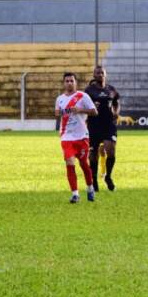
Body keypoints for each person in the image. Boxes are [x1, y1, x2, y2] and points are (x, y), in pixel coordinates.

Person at [55, 72, 98, 204]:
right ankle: (75, 194)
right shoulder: (60, 99)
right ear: (64, 83)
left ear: (75, 82)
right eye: (67, 81)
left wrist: (80, 110)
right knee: (69, 163)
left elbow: (94, 112)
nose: (69, 83)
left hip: (81, 136)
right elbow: (57, 113)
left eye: (71, 81)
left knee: (84, 164)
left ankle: (90, 187)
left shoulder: (83, 96)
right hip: (67, 137)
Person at [85, 65, 120, 191]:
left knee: (110, 150)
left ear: (105, 75)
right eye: (98, 73)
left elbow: (116, 102)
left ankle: (108, 177)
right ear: (94, 75)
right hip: (94, 125)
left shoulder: (111, 89)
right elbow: (83, 105)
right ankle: (94, 180)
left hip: (109, 125)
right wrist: (91, 107)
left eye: (102, 73)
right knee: (93, 155)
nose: (100, 75)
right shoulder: (89, 91)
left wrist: (116, 112)